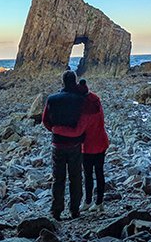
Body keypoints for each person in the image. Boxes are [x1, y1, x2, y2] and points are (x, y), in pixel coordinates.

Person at [52, 78, 109, 213]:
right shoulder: (96, 101)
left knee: (88, 174)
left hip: (88, 146)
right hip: (101, 142)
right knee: (99, 173)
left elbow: (77, 131)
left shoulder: (85, 111)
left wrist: (57, 129)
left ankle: (88, 201)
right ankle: (99, 202)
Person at [41, 70, 86, 220]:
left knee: (58, 178)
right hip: (75, 143)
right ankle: (75, 210)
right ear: (74, 81)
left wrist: (55, 130)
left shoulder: (52, 99)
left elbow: (45, 120)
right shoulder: (80, 99)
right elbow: (84, 120)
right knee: (76, 177)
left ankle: (56, 211)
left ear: (63, 82)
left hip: (58, 143)